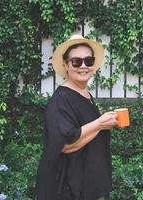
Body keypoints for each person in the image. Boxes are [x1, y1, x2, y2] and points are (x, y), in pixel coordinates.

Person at [36, 35, 117, 200]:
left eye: (89, 60)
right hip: (64, 187)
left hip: (81, 182)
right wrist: (100, 123)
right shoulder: (61, 99)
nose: (84, 66)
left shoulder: (84, 93)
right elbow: (65, 144)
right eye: (76, 61)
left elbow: (86, 130)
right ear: (66, 65)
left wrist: (102, 125)